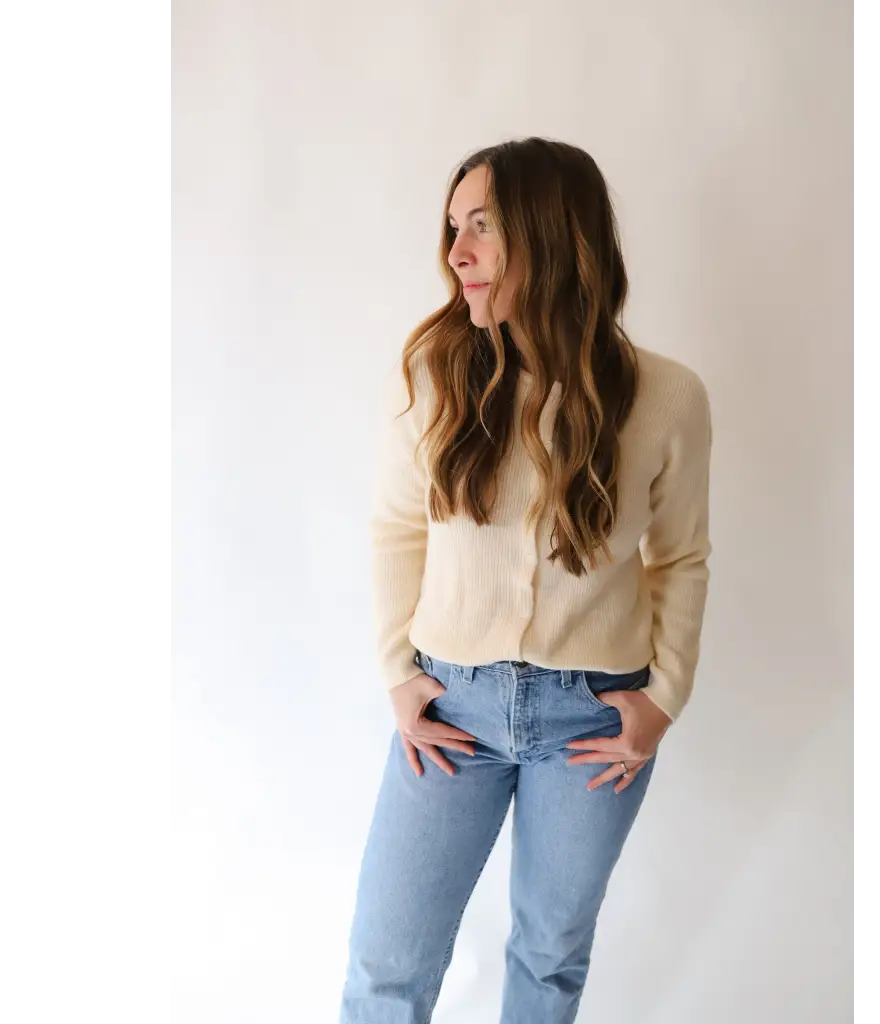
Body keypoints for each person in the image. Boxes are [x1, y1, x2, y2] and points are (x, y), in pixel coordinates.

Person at [341, 137, 712, 1024]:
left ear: (549, 236)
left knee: (548, 959)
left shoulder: (668, 397)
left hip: (594, 720)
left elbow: (682, 556)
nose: (456, 253)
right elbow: (395, 527)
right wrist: (399, 672)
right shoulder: (438, 377)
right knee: (388, 964)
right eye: (452, 228)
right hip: (449, 714)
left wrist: (665, 697)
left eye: (481, 227)